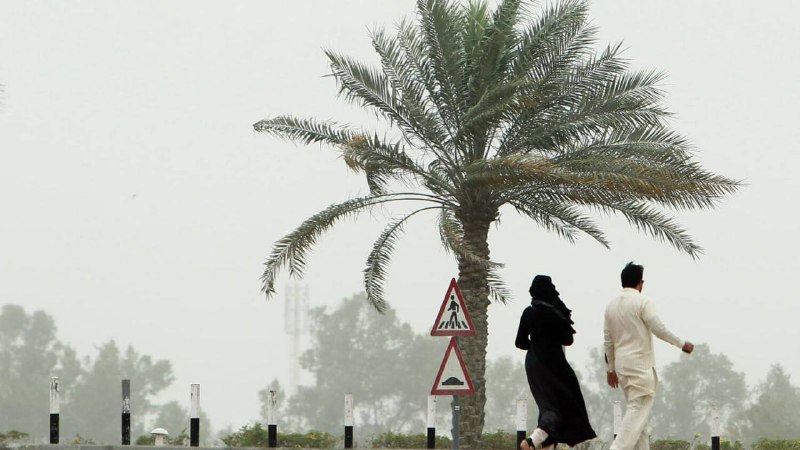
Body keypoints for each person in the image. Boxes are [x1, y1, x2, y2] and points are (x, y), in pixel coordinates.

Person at [604, 262, 694, 450]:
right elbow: (658, 329)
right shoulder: (643, 302)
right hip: (640, 368)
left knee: (640, 423)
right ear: (640, 282)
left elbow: (608, 341)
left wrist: (610, 369)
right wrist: (681, 344)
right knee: (637, 411)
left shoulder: (611, 307)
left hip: (622, 369)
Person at [516, 275, 596, 450]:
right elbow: (568, 340)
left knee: (546, 404)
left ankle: (545, 445)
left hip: (533, 363)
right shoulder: (556, 313)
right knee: (561, 405)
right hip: (554, 364)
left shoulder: (528, 312)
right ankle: (531, 442)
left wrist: (536, 344)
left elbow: (520, 342)